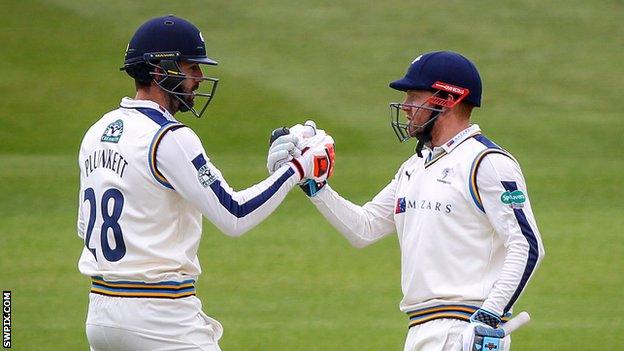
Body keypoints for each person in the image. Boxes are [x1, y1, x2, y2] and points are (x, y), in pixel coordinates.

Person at [76, 15, 333, 351]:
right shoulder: (168, 136)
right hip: (160, 316)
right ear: (159, 70)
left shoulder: (97, 132)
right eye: (190, 67)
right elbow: (235, 215)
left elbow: (85, 229)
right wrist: (297, 169)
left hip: (100, 313)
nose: (198, 78)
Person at [269, 51, 545, 350]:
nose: (405, 108)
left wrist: (489, 316)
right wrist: (314, 185)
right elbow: (365, 228)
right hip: (420, 328)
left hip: (464, 327)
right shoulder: (414, 167)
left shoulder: (486, 162)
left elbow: (527, 244)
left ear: (447, 99)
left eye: (414, 97)